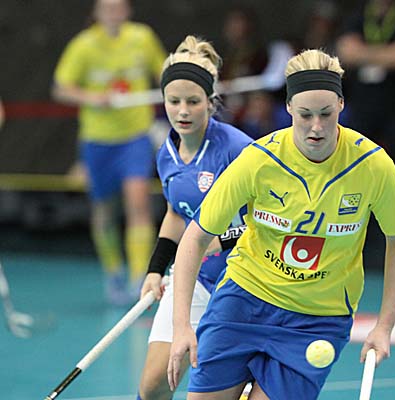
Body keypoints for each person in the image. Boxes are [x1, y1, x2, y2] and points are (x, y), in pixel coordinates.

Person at [167, 49, 395, 400]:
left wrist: (384, 325)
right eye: (305, 115)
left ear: (341, 104)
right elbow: (195, 238)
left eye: (326, 113)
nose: (316, 127)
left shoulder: (373, 166)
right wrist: (181, 326)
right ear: (288, 108)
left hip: (318, 318)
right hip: (244, 301)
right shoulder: (259, 160)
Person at [136, 36, 253, 400]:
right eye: (174, 101)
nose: (182, 111)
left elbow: (270, 220)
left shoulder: (238, 150)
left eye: (193, 101)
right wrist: (156, 269)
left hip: (244, 283)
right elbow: (176, 213)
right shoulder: (166, 153)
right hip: (196, 278)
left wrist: (220, 240)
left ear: (211, 101)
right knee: (153, 385)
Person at [51, 0, 166, 305]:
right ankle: (113, 272)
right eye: (107, 8)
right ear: (97, 13)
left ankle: (139, 279)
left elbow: (164, 73)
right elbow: (61, 88)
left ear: (127, 11)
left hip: (135, 137)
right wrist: (94, 98)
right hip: (98, 140)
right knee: (104, 211)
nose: (114, 14)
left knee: (138, 202)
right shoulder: (84, 45)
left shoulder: (142, 37)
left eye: (118, 8)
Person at [336, 0, 395, 179]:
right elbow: (346, 52)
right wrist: (386, 53)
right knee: (356, 157)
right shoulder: (359, 14)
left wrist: (362, 52)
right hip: (362, 102)